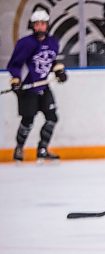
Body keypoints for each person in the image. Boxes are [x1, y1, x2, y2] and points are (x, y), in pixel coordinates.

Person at [7, 10, 67, 162]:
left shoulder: (53, 42)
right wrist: (16, 80)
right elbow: (15, 65)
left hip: (44, 86)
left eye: (42, 24)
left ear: (47, 25)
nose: (40, 27)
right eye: (37, 24)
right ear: (33, 26)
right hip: (28, 88)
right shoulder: (25, 43)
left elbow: (52, 61)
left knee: (52, 118)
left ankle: (42, 149)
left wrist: (59, 71)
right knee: (28, 120)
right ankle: (19, 148)